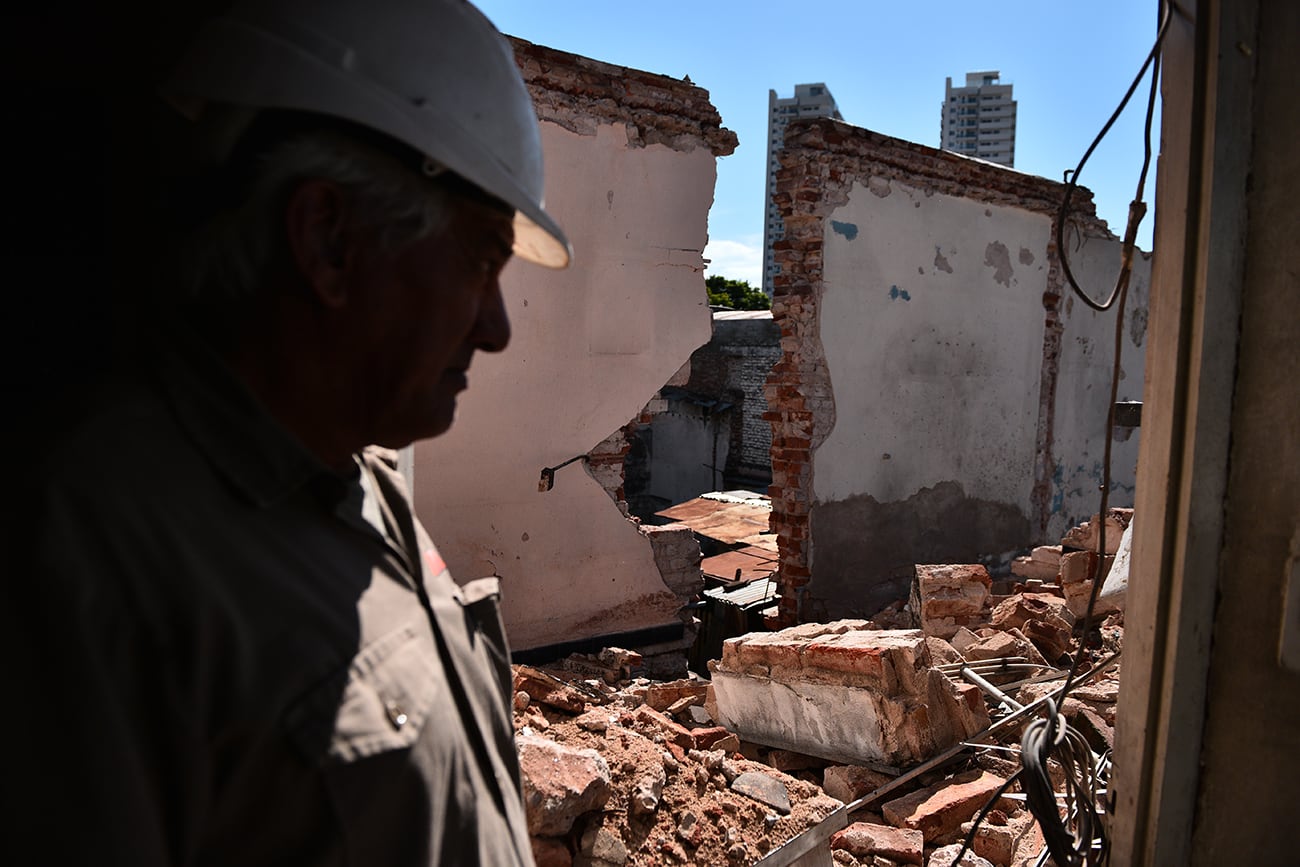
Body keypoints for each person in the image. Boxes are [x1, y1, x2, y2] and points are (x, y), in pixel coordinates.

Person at [6, 1, 570, 864]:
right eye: (477, 262)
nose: (495, 328)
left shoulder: (359, 474)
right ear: (329, 240)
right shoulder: (95, 561)